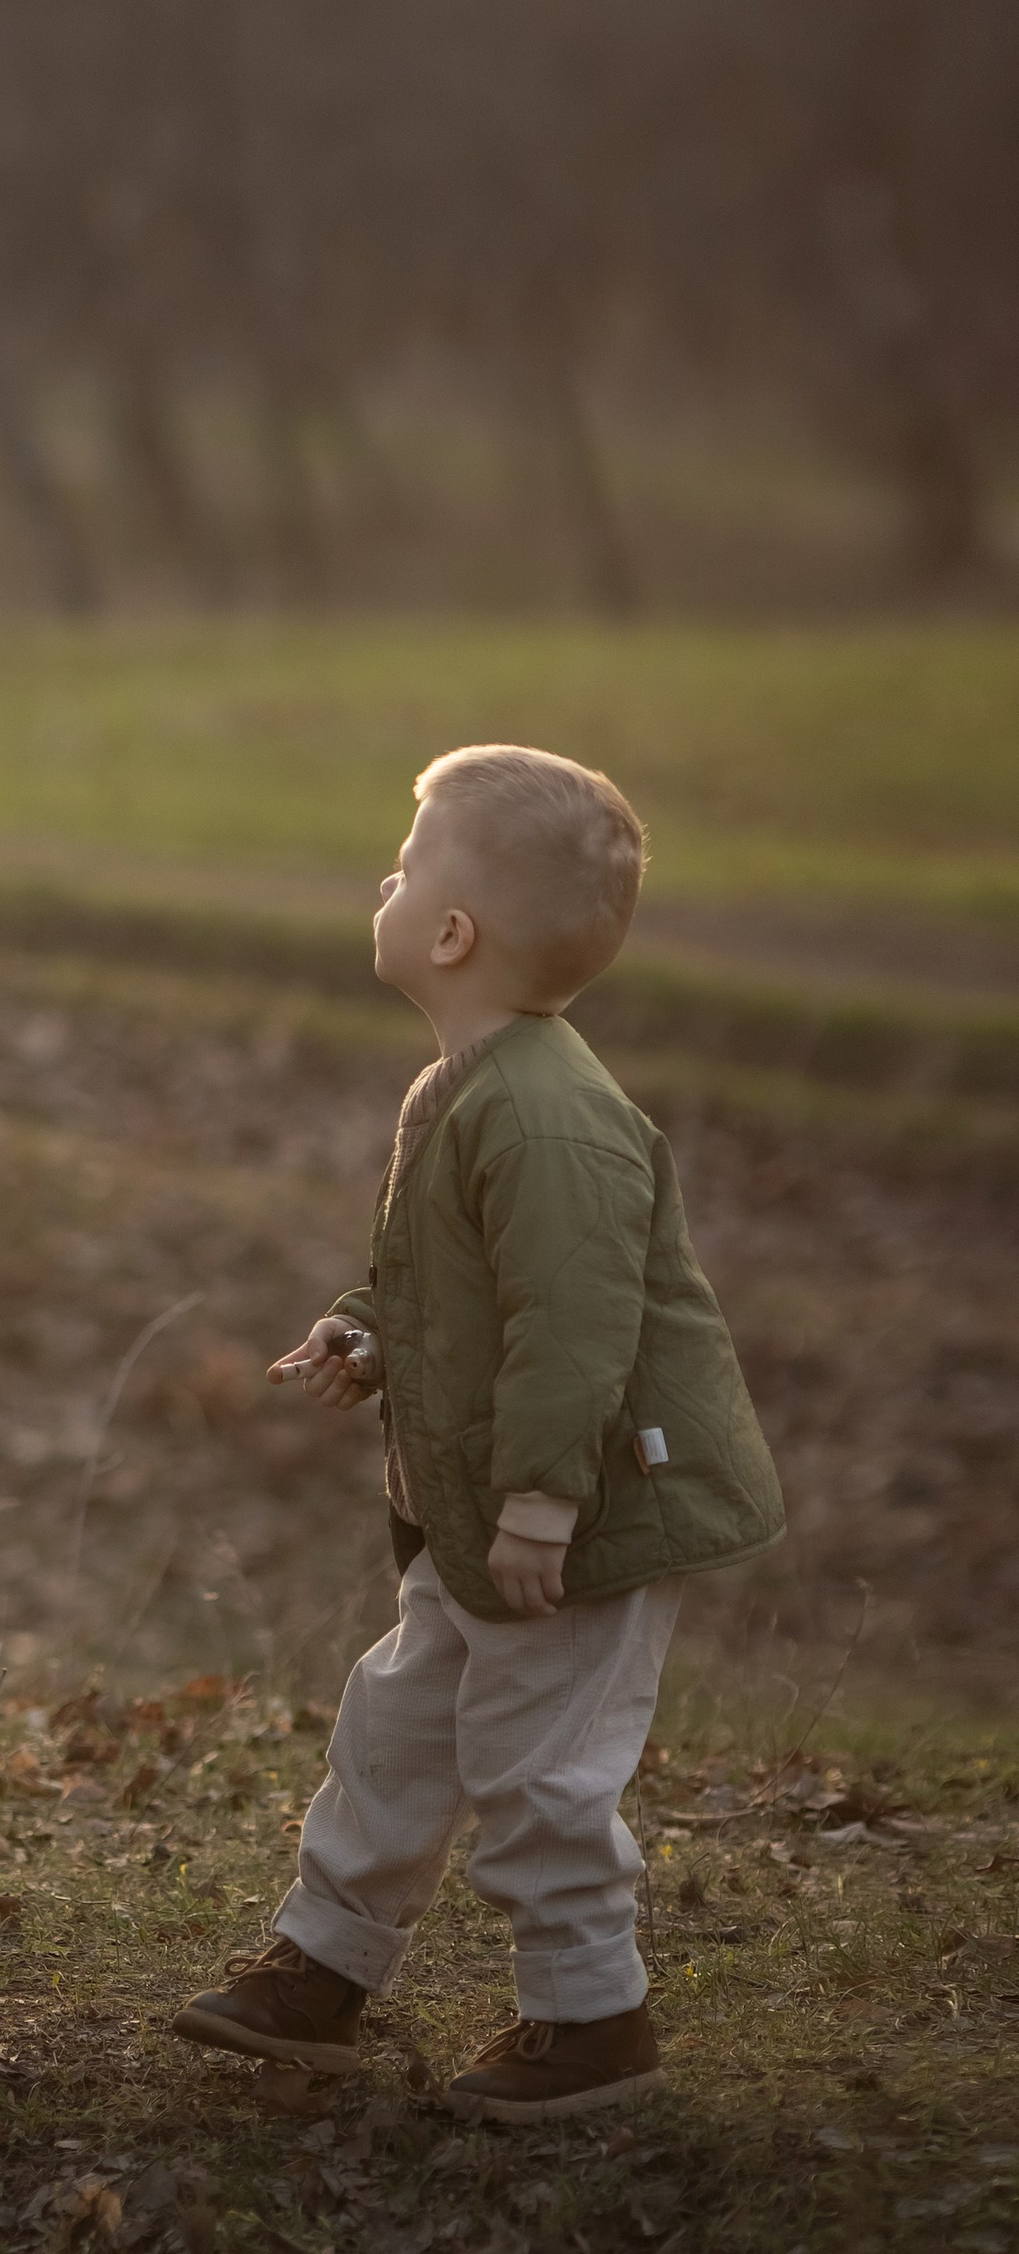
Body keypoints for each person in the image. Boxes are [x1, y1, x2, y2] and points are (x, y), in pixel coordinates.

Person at [172, 744, 784, 2120]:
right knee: (399, 1726)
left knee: (536, 1760)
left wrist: (543, 1503)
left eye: (407, 861)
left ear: (450, 933)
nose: (384, 878)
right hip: (490, 1514)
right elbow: (445, 1291)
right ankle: (324, 1969)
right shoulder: (460, 1088)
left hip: (580, 1515)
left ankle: (592, 2016)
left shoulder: (552, 1118)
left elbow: (575, 1329)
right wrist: (363, 1334)